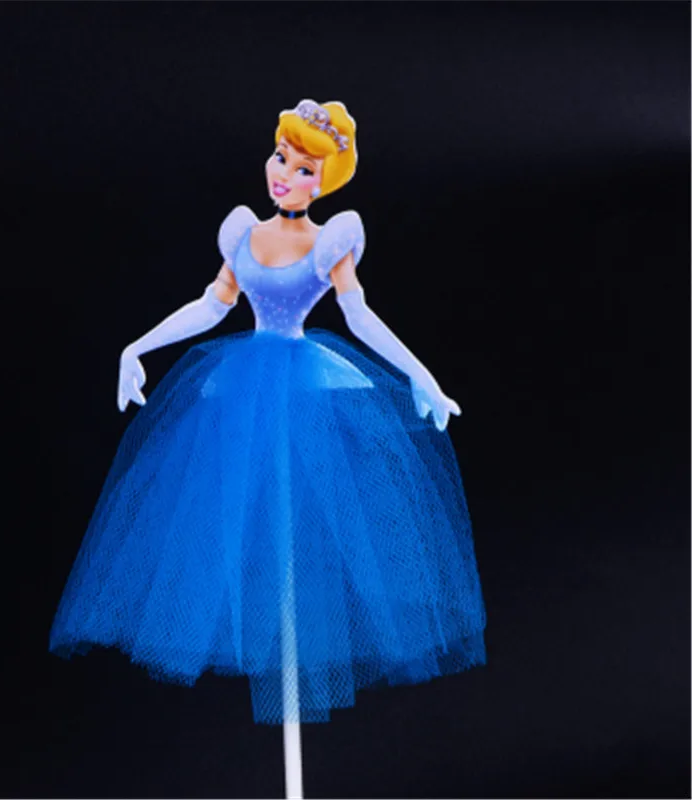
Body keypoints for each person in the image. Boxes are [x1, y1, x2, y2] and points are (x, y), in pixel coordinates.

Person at [49, 99, 487, 728]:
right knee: (237, 516)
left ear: (324, 182)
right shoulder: (243, 233)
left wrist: (423, 376)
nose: (286, 175)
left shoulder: (330, 241)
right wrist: (136, 347)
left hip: (302, 383)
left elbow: (359, 315)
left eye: (305, 169)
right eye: (282, 158)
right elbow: (213, 304)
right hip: (244, 385)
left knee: (306, 523)